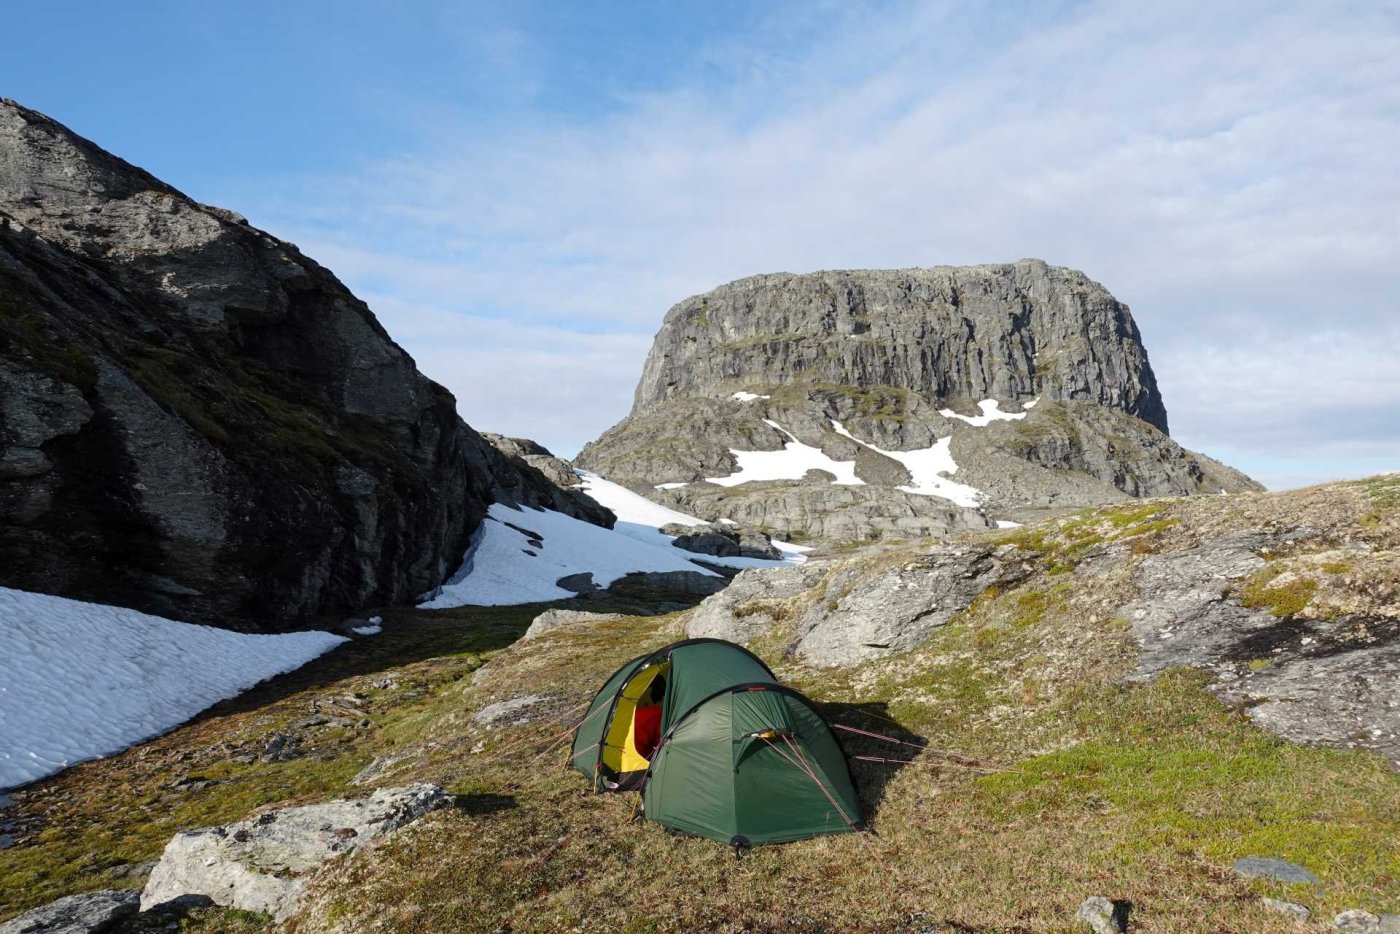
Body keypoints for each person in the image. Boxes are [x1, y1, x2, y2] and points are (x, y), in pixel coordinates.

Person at [633, 675, 665, 759]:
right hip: (636, 740)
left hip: (627, 730)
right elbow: (659, 741)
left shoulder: (656, 712)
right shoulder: (661, 718)